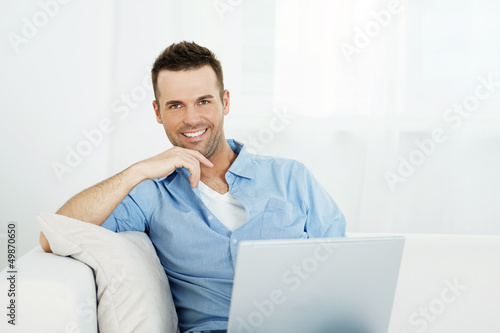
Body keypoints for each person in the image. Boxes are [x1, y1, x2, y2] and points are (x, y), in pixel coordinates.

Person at [39, 41, 346, 333]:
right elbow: (54, 235)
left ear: (224, 102)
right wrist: (138, 170)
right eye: (175, 106)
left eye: (203, 101)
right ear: (158, 112)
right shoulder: (150, 193)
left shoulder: (292, 178)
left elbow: (344, 270)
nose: (191, 119)